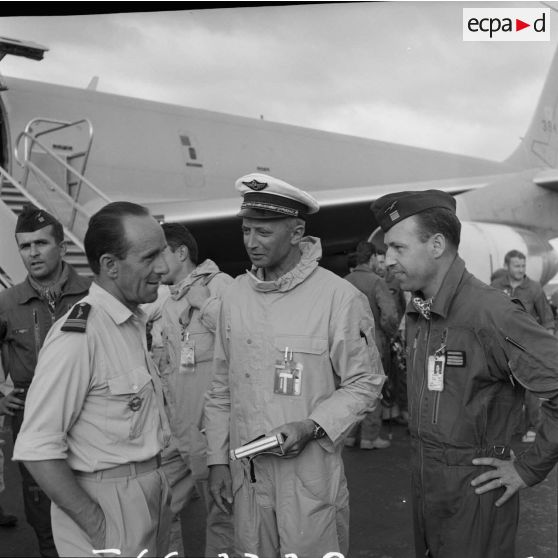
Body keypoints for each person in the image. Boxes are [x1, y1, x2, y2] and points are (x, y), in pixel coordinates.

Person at [205, 173, 385, 558]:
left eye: (264, 232)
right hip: (247, 477)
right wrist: (217, 462)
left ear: (296, 231)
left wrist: (311, 426)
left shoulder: (339, 298)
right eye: (247, 230)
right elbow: (221, 386)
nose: (252, 243)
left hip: (308, 477)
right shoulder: (234, 297)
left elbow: (365, 382)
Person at [370, 189, 558, 558]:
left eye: (398, 248)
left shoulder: (490, 312)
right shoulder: (419, 311)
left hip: (475, 495)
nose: (387, 260)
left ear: (437, 245)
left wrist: (528, 468)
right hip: (427, 485)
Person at [13, 201, 173, 557]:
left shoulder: (132, 321)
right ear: (110, 266)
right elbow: (36, 449)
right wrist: (100, 530)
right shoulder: (80, 336)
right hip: (108, 505)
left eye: (163, 253)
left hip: (149, 492)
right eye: (149, 257)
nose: (163, 267)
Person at [0, 204, 90, 556]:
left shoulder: (91, 296)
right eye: (25, 246)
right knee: (43, 512)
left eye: (41, 243)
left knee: (91, 504)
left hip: (88, 416)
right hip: (32, 418)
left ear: (62, 247)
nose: (33, 253)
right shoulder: (8, 303)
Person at [155, 222, 234, 557]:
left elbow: (245, 341)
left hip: (208, 435)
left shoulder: (220, 286)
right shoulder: (167, 302)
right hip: (175, 433)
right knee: (157, 509)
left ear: (181, 252)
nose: (152, 264)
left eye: (157, 254)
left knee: (223, 521)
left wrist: (205, 306)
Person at [491, 249, 556, 443]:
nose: (521, 270)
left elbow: (547, 319)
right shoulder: (495, 286)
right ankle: (509, 427)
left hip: (528, 347)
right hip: (502, 347)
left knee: (531, 391)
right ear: (506, 266)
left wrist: (546, 351)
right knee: (505, 390)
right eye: (517, 266)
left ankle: (533, 428)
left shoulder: (534, 288)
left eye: (523, 266)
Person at [344, 240, 398, 449]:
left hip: (347, 345)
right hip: (373, 344)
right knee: (374, 388)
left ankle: (349, 435)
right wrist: (389, 334)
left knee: (351, 388)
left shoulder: (345, 280)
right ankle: (369, 437)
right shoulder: (377, 282)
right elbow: (390, 315)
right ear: (373, 258)